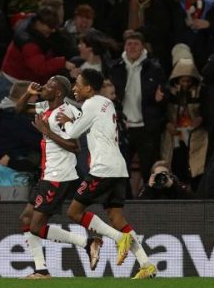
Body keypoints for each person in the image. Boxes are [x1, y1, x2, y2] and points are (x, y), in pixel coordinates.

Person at [54, 69, 157, 279]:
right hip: (118, 168)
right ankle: (146, 264)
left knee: (73, 212)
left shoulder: (90, 104)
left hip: (103, 168)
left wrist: (66, 121)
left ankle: (119, 239)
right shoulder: (106, 103)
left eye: (78, 84)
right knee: (116, 217)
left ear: (89, 88)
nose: (74, 88)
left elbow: (73, 134)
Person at [15, 76, 102, 279]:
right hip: (48, 173)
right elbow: (18, 110)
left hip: (59, 175)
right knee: (26, 219)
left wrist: (47, 132)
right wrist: (28, 92)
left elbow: (75, 147)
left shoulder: (65, 113)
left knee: (36, 227)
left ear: (59, 92)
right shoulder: (45, 107)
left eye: (49, 86)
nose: (44, 87)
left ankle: (88, 243)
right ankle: (41, 270)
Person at [110, 30, 166, 187]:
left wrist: (161, 98)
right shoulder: (115, 68)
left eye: (136, 44)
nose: (132, 47)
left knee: (149, 168)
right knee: (121, 168)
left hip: (146, 127)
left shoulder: (154, 68)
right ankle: (122, 201)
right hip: (122, 127)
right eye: (129, 44)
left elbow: (164, 94)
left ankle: (149, 201)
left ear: (143, 47)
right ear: (124, 47)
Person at [0, 6, 75, 103]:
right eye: (50, 27)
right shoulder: (28, 43)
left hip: (24, 84)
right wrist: (62, 63)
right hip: (12, 86)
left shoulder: (36, 27)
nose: (53, 30)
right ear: (39, 23)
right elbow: (40, 68)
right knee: (14, 117)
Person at [162, 55, 207, 190]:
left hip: (195, 135)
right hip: (174, 135)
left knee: (195, 165)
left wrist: (201, 118)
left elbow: (207, 111)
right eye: (183, 81)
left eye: (188, 81)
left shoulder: (201, 92)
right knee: (175, 163)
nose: (185, 84)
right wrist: (167, 123)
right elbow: (161, 113)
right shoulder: (169, 93)